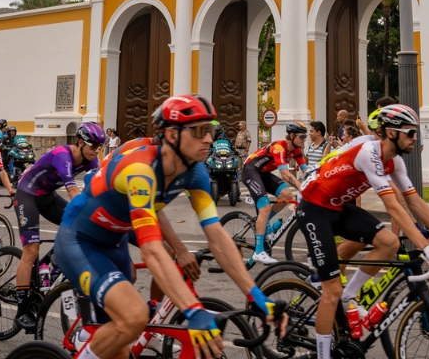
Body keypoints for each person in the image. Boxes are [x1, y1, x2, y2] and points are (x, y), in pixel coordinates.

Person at [55, 94, 282, 359]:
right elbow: (151, 250)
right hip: (79, 241)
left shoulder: (196, 172)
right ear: (172, 136)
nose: (209, 138)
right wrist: (192, 309)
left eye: (210, 129)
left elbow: (217, 236)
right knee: (135, 317)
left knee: (120, 346)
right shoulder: (140, 170)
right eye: (199, 131)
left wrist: (255, 294)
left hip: (113, 245)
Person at [300, 104, 429, 359]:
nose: (415, 137)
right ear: (392, 133)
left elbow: (414, 201)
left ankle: (349, 295)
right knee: (330, 293)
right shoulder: (369, 154)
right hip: (314, 208)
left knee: (389, 242)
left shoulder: (394, 161)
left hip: (338, 207)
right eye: (410, 132)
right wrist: (426, 246)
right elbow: (394, 209)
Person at [12, 122, 107, 330]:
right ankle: (21, 310)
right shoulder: (62, 155)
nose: (96, 151)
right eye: (93, 147)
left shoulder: (91, 160)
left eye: (99, 148)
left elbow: (98, 190)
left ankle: (48, 270)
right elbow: (72, 192)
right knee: (31, 251)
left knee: (81, 230)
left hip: (47, 197)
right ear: (80, 142)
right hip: (27, 194)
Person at [243, 122, 307, 264]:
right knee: (265, 207)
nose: (304, 139)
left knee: (287, 195)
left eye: (306, 136)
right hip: (250, 171)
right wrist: (301, 187)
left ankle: (266, 226)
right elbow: (284, 174)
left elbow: (306, 172)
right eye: (302, 136)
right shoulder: (278, 147)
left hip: (263, 173)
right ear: (292, 135)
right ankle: (258, 252)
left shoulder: (297, 150)